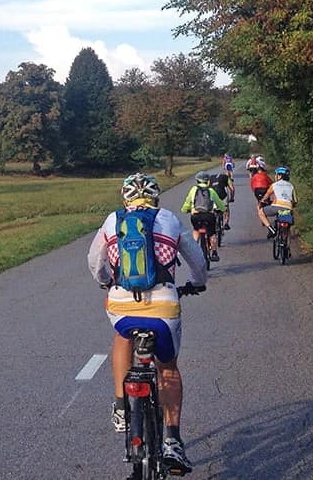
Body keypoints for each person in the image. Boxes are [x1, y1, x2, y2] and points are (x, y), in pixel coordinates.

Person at [87, 173, 206, 475]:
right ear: (155, 197)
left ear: (125, 197)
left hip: (122, 306)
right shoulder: (169, 219)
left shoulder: (113, 221)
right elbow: (198, 262)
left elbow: (94, 261)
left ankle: (120, 406)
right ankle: (172, 441)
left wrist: (105, 282)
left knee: (121, 335)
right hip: (165, 305)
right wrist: (197, 283)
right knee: (167, 368)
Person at [180, 171, 227, 262]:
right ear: (207, 181)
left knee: (196, 230)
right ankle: (214, 252)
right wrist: (223, 209)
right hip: (208, 216)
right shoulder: (211, 191)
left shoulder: (193, 190)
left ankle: (193, 250)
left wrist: (185, 209)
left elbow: (188, 202)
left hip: (196, 216)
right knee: (212, 234)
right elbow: (219, 203)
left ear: (197, 180)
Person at [258, 165, 298, 236]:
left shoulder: (275, 185)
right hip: (288, 208)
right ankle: (286, 242)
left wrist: (262, 202)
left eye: (276, 175)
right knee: (287, 224)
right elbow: (295, 200)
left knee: (261, 212)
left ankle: (271, 230)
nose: (275, 176)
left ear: (280, 176)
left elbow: (266, 197)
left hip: (276, 207)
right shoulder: (291, 185)